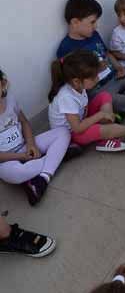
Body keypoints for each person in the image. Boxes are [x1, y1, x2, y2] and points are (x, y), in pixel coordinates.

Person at [57, 0, 125, 116]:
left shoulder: (93, 35)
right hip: (97, 90)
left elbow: (107, 53)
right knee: (111, 99)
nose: (96, 26)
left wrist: (119, 67)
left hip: (115, 78)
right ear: (75, 22)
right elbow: (75, 83)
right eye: (92, 22)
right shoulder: (67, 48)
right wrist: (95, 69)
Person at [0, 67, 70, 205]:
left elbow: (24, 122)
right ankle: (56, 157)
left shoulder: (10, 100)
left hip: (25, 146)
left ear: (3, 84)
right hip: (6, 161)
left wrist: (31, 144)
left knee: (63, 132)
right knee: (18, 173)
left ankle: (43, 177)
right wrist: (22, 156)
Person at [49, 51, 125, 154]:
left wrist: (102, 115)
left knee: (104, 96)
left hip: (82, 118)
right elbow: (77, 128)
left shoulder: (78, 86)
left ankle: (108, 129)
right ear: (76, 81)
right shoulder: (66, 97)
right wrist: (100, 115)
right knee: (96, 129)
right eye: (93, 78)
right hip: (72, 134)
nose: (98, 78)